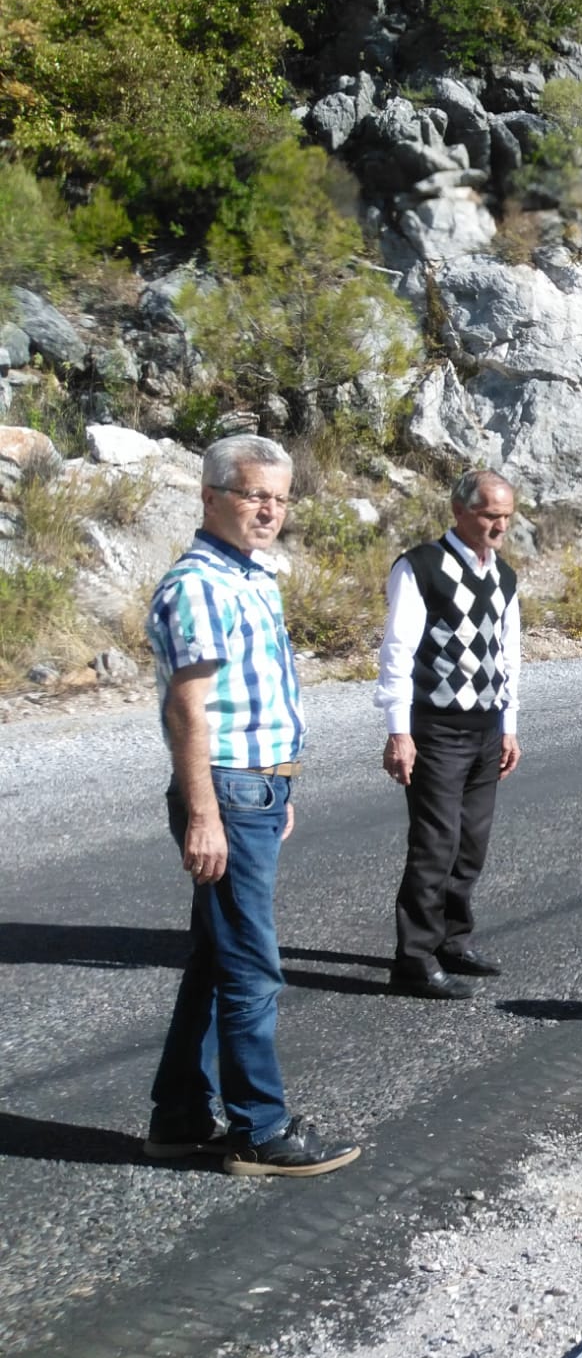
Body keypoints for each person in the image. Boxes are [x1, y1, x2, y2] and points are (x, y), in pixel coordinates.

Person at [144, 436, 361, 1177]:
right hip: (229, 791)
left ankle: (178, 1117)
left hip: (255, 788)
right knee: (251, 968)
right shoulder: (201, 584)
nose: (268, 509)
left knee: (215, 958)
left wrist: (279, 787)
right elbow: (187, 710)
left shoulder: (250, 577)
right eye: (252, 495)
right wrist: (208, 813)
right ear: (210, 498)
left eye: (279, 497)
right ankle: (261, 1132)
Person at [376, 470, 524, 999]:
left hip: (485, 729)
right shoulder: (420, 567)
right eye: (489, 515)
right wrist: (399, 731)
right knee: (435, 844)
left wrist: (507, 726)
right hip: (436, 730)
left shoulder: (504, 577)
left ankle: (451, 940)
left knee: (471, 846)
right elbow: (397, 651)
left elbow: (508, 656)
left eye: (505, 516)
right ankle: (413, 958)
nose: (499, 526)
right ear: (459, 511)